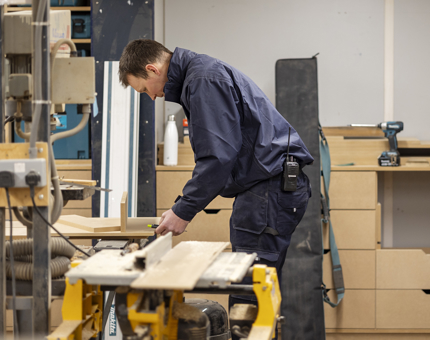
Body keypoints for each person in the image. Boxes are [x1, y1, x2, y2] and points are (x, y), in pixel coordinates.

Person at [119, 39, 313, 339]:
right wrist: (183, 205)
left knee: (250, 293)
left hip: (268, 192)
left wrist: (183, 211)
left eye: (145, 89)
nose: (153, 97)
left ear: (152, 68)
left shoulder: (203, 81)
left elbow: (218, 158)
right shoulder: (200, 75)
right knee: (254, 288)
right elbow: (224, 155)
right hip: (266, 190)